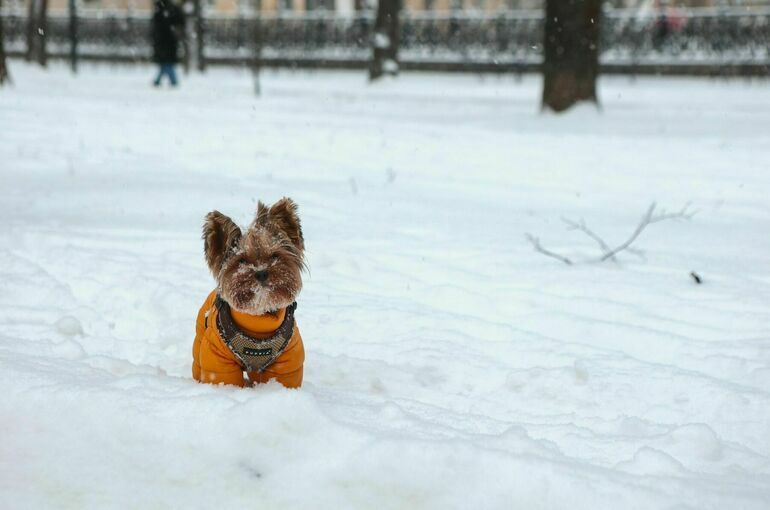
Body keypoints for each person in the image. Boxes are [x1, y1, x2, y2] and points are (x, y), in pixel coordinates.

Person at [151, 0, 185, 87]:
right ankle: (170, 81)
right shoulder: (172, 10)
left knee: (165, 62)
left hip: (163, 42)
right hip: (169, 42)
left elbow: (155, 28)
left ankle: (161, 81)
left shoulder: (160, 12)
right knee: (167, 62)